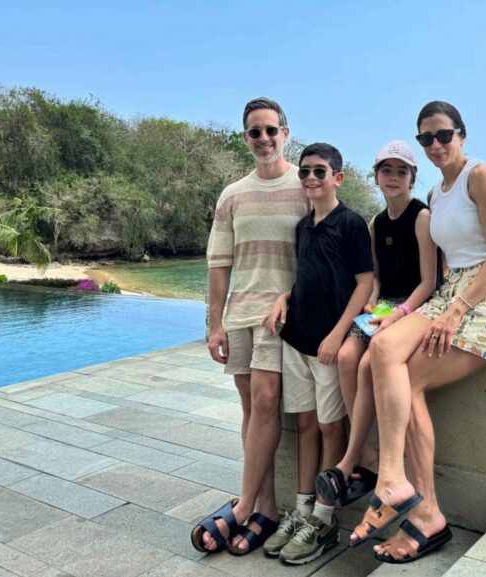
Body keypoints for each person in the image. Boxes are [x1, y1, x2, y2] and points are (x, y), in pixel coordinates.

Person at [349, 101, 486, 563]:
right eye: (426, 138)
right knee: (383, 346)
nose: (435, 145)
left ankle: (425, 514)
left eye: (443, 135)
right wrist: (410, 311)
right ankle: (392, 476)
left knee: (409, 383)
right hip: (450, 293)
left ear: (461, 134)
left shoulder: (480, 176)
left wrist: (454, 312)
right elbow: (443, 266)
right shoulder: (436, 193)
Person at [192, 97, 308, 556]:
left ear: (286, 132)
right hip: (239, 312)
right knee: (249, 406)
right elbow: (219, 263)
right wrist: (213, 323)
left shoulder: (306, 182)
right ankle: (265, 507)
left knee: (265, 400)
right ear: (246, 138)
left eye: (271, 130)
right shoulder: (233, 194)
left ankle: (242, 508)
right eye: (255, 132)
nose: (264, 138)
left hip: (282, 317)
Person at [262, 143, 374, 565]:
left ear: (337, 178)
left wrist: (338, 335)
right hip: (296, 338)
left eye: (319, 172)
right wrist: (283, 297)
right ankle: (304, 509)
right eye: (305, 172)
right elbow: (307, 276)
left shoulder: (351, 224)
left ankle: (326, 519)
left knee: (331, 427)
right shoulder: (302, 227)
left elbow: (364, 283)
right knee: (306, 423)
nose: (311, 179)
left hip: (328, 344)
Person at [313, 140, 438, 510]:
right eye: (387, 170)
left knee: (370, 363)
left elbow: (429, 282)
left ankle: (351, 458)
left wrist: (396, 314)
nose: (393, 177)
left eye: (402, 171)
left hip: (414, 306)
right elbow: (379, 278)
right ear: (377, 177)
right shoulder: (375, 222)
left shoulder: (422, 217)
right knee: (348, 355)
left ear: (412, 177)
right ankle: (365, 450)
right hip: (384, 305)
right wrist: (372, 303)